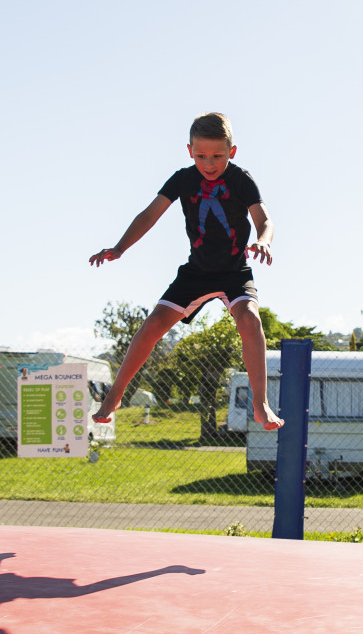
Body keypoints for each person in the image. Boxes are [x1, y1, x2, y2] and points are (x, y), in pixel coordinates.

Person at [89, 112, 283, 429]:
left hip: (234, 270)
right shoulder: (183, 179)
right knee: (153, 325)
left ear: (231, 152)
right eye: (201, 156)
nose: (209, 164)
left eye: (217, 156)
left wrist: (264, 241)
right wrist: (121, 247)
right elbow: (149, 215)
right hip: (196, 272)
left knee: (249, 318)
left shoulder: (240, 180)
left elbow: (264, 220)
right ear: (189, 150)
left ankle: (260, 403)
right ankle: (115, 395)